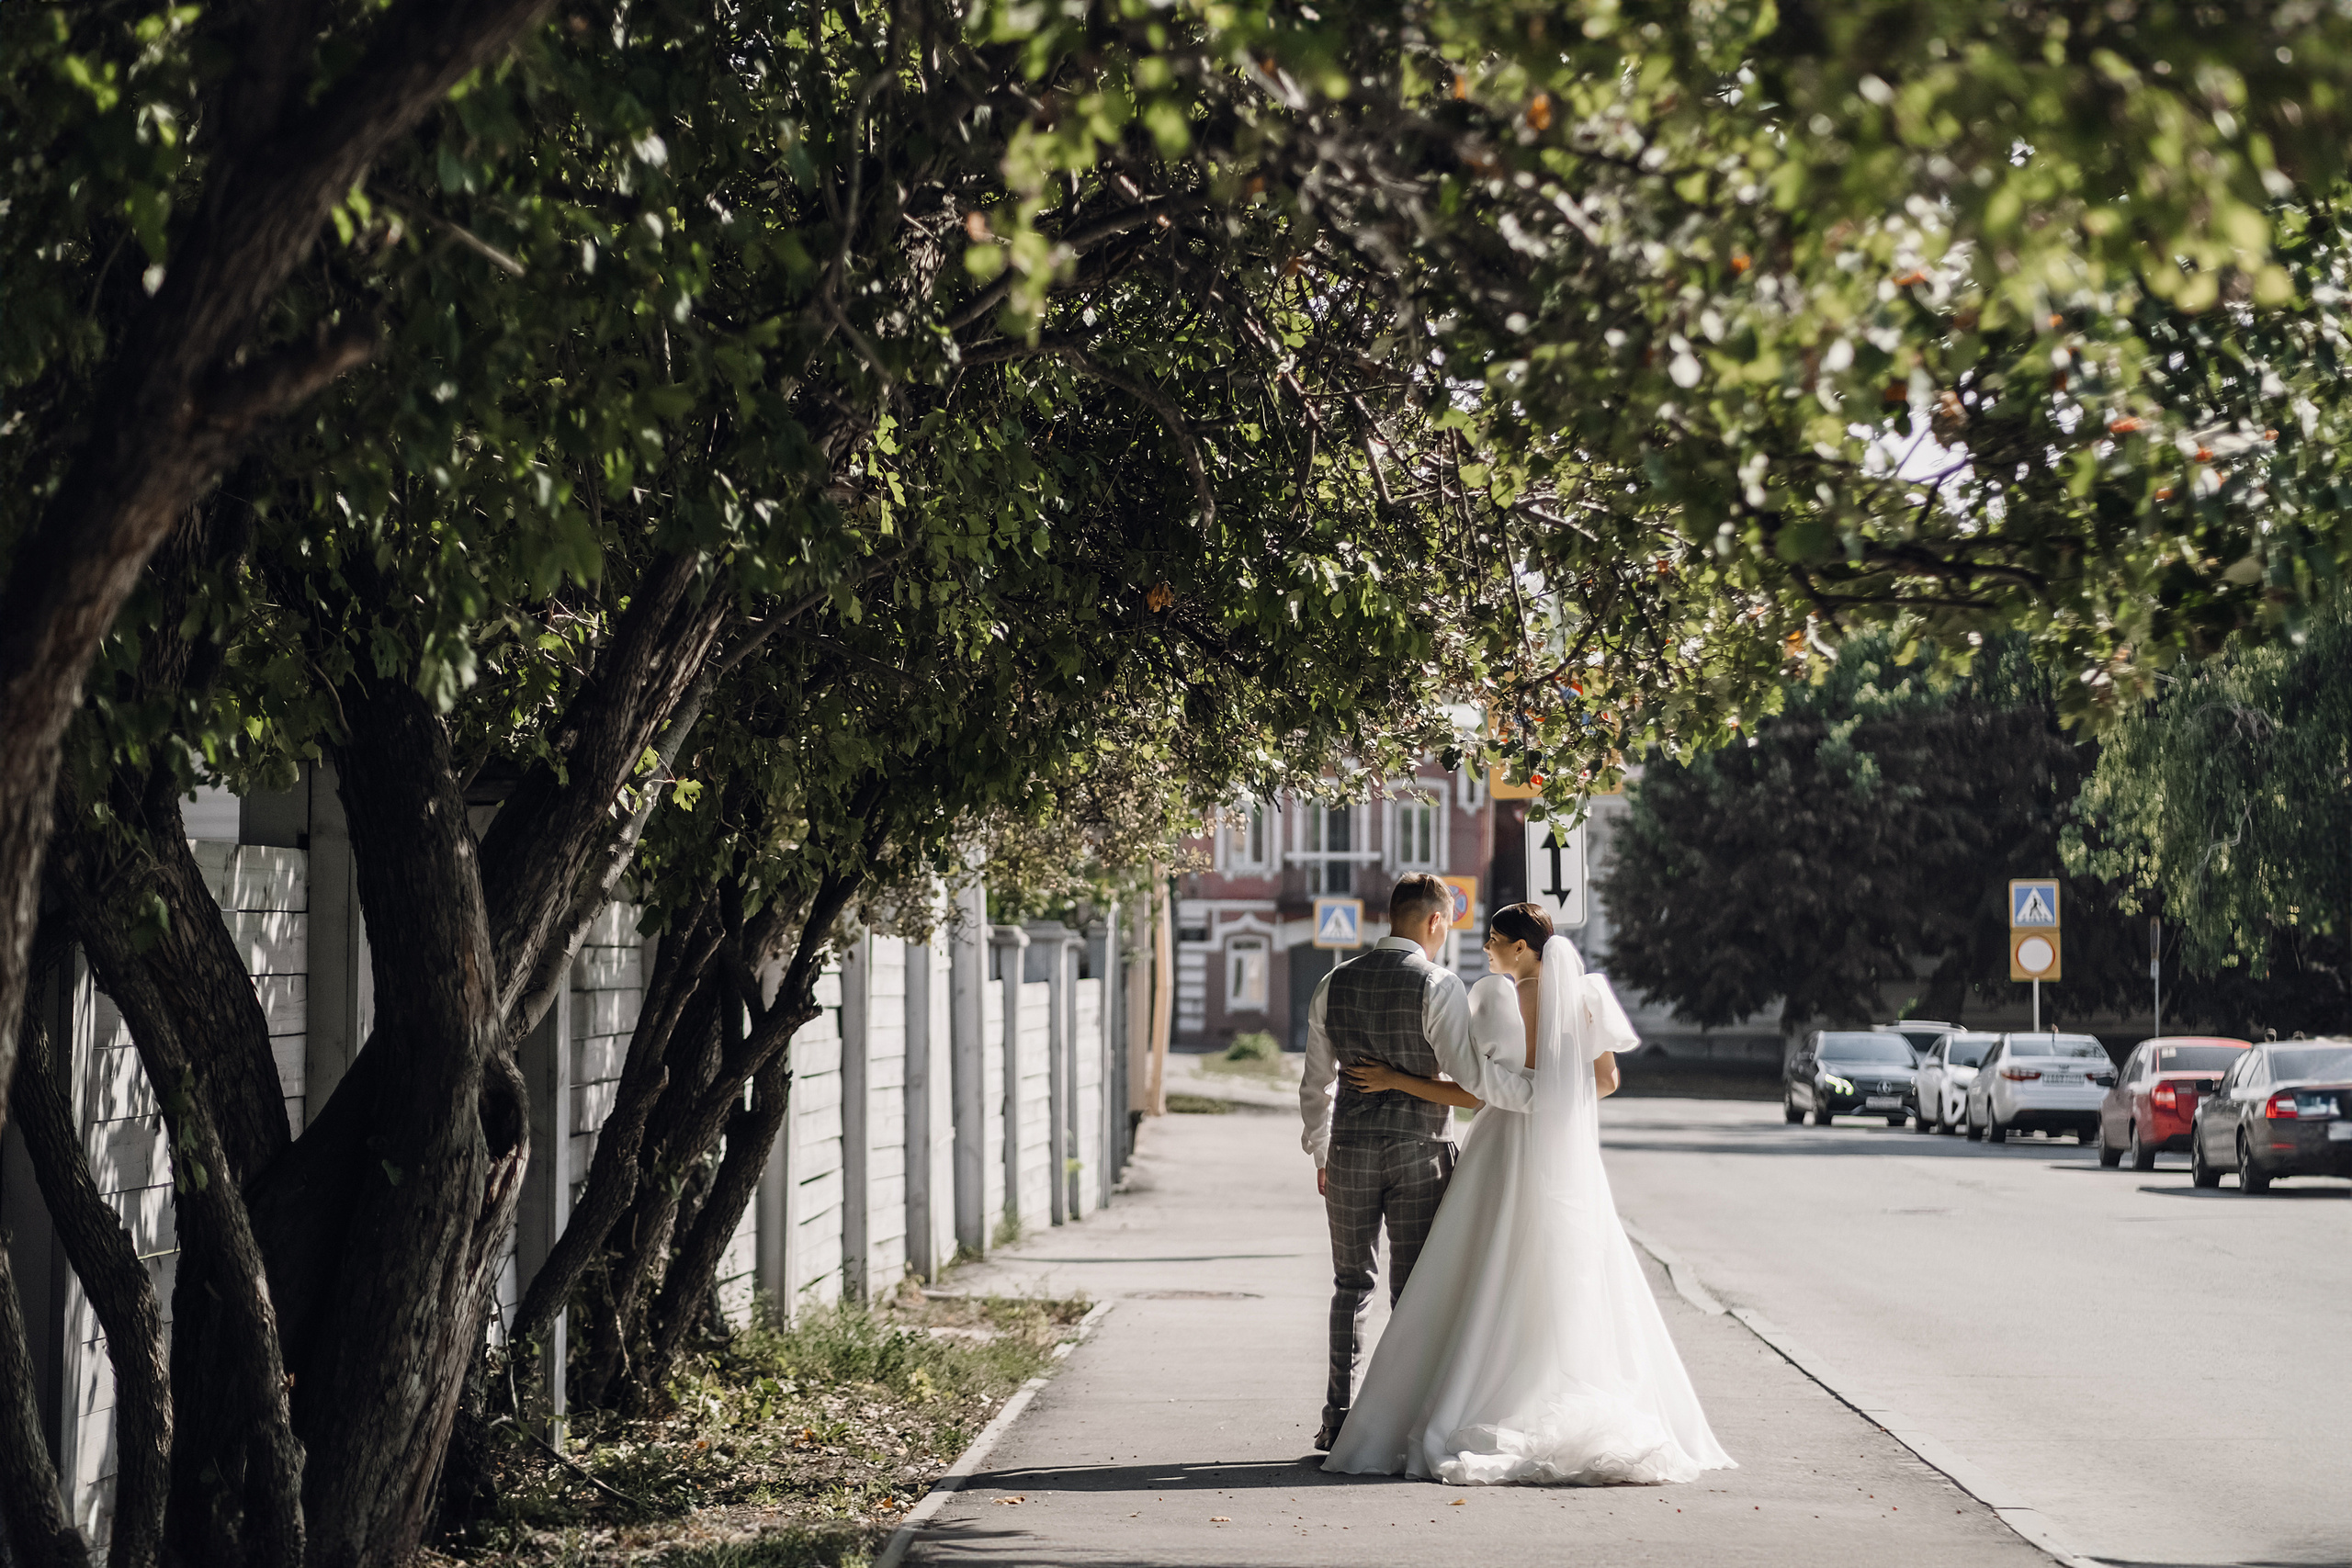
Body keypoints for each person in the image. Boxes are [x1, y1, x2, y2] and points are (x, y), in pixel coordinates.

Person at [1320, 902, 1736, 1486]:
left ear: (1522, 948)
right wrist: (1561, 1104)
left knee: (1484, 1266)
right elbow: (1607, 1080)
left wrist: (1396, 1081)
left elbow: (1478, 1090)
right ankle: (1550, 1383)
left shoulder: (1497, 996)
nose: (1486, 948)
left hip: (1506, 1144)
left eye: (1494, 939)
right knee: (1562, 1272)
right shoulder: (1587, 994)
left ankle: (1473, 1395)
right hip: (1565, 1156)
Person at [1298, 873, 1539, 1452]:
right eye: (1450, 920)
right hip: (1422, 1154)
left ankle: (1338, 1417)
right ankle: (1402, 1422)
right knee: (1413, 1291)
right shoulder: (1439, 985)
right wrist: (1537, 1096)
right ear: (1434, 920)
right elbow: (1472, 1079)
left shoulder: (1334, 982)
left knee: (1349, 1285)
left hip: (1351, 1151)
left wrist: (1321, 1149)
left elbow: (1315, 1084)